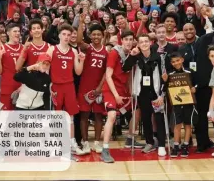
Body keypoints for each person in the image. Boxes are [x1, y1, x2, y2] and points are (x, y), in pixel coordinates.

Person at [179, 6, 214, 153]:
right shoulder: (181, 50)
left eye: (191, 29)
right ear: (182, 32)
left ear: (195, 30)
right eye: (185, 30)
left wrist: (211, 17)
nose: (188, 32)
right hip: (195, 88)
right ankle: (202, 143)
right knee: (199, 118)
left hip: (211, 85)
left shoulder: (205, 40)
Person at [101, 31, 142, 163]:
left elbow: (129, 76)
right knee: (112, 116)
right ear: (121, 41)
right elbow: (108, 76)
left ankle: (130, 139)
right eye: (126, 40)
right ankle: (105, 149)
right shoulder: (114, 53)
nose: (129, 42)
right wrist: (116, 95)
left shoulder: (132, 55)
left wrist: (130, 93)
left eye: (131, 39)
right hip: (110, 90)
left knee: (137, 109)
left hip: (123, 91)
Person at [122, 34, 167, 156]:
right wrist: (132, 55)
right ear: (138, 44)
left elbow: (164, 77)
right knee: (146, 119)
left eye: (146, 41)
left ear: (150, 42)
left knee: (158, 118)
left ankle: (162, 144)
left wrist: (161, 95)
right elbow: (125, 68)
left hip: (156, 93)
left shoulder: (159, 57)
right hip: (142, 93)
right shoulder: (137, 57)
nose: (144, 44)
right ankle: (150, 143)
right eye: (141, 42)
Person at [46, 24, 86, 157]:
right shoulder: (51, 50)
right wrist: (49, 85)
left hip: (69, 86)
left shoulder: (74, 52)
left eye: (69, 35)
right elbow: (45, 70)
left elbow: (78, 72)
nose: (67, 37)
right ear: (59, 35)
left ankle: (72, 143)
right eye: (64, 34)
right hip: (56, 86)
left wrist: (81, 60)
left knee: (71, 117)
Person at [76, 14, 107, 154]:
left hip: (99, 88)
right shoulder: (87, 47)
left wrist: (100, 87)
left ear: (102, 36)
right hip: (85, 86)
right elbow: (78, 40)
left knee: (99, 116)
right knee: (84, 115)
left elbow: (107, 72)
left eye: (98, 34)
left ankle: (96, 142)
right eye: (93, 34)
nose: (95, 37)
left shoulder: (107, 52)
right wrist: (81, 22)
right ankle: (85, 141)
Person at [165, 52, 197, 158]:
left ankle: (186, 145)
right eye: (173, 62)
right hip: (176, 103)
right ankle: (176, 145)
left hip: (189, 102)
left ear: (182, 60)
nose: (176, 63)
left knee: (188, 124)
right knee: (177, 124)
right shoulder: (169, 74)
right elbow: (165, 87)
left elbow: (197, 83)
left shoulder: (190, 71)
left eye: (178, 60)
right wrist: (164, 81)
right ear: (171, 63)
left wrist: (194, 88)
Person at [0, 23, 23, 110]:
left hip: (21, 85)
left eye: (18, 31)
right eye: (15, 31)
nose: (17, 33)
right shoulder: (2, 48)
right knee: (6, 115)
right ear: (8, 33)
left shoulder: (23, 48)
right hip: (7, 85)